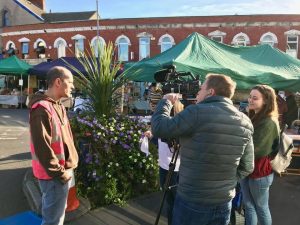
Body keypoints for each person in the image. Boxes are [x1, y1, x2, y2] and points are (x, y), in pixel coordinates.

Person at [151, 73, 254, 225]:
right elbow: (248, 166)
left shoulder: (196, 112)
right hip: (224, 201)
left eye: (201, 89)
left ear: (211, 92)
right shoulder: (245, 121)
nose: (197, 93)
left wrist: (166, 101)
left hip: (192, 199)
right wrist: (226, 183)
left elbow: (159, 128)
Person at [28, 66, 79, 225]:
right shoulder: (41, 109)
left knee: (55, 215)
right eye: (70, 82)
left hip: (59, 172)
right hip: (54, 175)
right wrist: (60, 173)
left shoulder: (58, 105)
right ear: (58, 82)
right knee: (53, 220)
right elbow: (41, 147)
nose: (72, 87)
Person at [240, 84, 279, 225]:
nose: (250, 100)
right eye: (250, 97)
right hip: (247, 170)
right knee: (249, 207)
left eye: (255, 98)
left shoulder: (268, 122)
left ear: (266, 101)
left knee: (261, 208)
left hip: (260, 173)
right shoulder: (254, 117)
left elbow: (257, 150)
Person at [144, 100, 184, 225]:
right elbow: (158, 137)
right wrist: (151, 135)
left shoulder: (181, 124)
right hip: (164, 166)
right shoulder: (163, 125)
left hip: (177, 169)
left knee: (175, 201)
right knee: (169, 200)